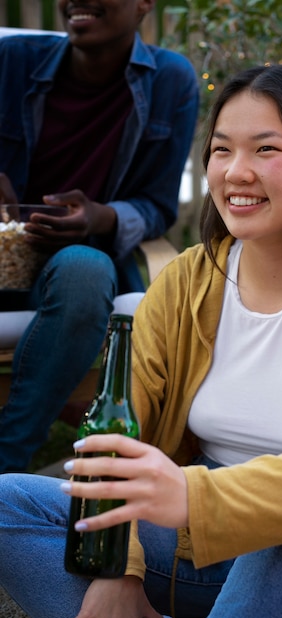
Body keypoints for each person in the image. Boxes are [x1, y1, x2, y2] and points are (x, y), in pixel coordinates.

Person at [1, 63, 282, 618]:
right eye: (222, 150)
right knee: (7, 502)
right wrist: (118, 567)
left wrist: (197, 498)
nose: (236, 172)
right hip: (194, 548)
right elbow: (117, 427)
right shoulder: (187, 280)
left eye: (266, 149)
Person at [0, 0, 199, 472]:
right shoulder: (13, 61)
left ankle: (6, 462)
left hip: (72, 268)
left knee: (87, 270)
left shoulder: (170, 80)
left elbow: (157, 207)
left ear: (144, 5)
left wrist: (97, 218)